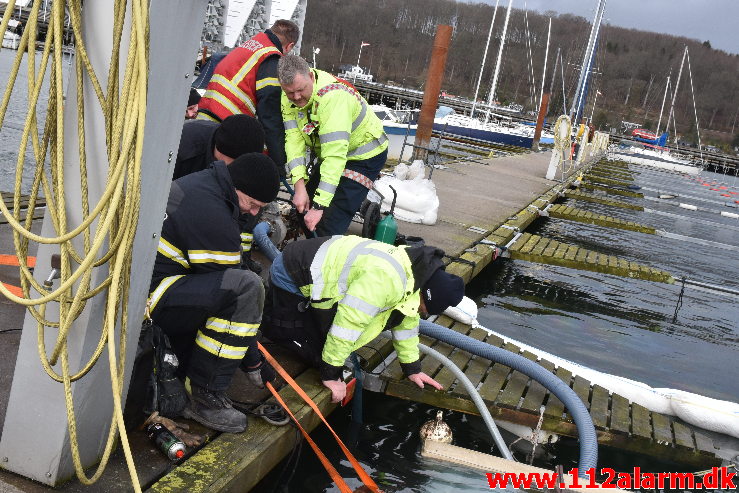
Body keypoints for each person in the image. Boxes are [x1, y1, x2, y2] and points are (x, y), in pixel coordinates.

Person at [148, 153, 280, 433]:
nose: (254, 213)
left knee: (241, 283)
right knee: (247, 289)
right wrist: (254, 362)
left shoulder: (206, 185)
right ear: (237, 187)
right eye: (252, 204)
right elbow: (235, 295)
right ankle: (205, 396)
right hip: (152, 299)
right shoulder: (212, 215)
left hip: (149, 282)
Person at [260, 235, 466, 403]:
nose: (421, 313)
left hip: (323, 275)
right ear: (425, 295)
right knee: (291, 337)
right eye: (424, 309)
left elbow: (407, 325)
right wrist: (330, 375)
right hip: (293, 272)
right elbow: (347, 325)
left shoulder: (415, 277)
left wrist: (412, 369)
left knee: (323, 349)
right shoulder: (384, 280)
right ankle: (261, 323)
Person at [278, 54, 388, 236]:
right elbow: (293, 141)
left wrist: (320, 206)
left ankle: (323, 256)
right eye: (290, 93)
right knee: (303, 208)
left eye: (301, 90)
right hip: (332, 153)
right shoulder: (287, 96)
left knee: (329, 222)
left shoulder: (333, 98)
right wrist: (299, 186)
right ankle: (309, 253)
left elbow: (334, 156)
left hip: (364, 155)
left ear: (311, 77)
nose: (296, 97)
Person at [197, 19, 300, 177]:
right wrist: (278, 162)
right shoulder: (271, 57)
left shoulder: (253, 43)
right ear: (290, 46)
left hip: (206, 116)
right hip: (226, 128)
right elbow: (269, 114)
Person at [172, 114, 269, 272]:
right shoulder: (182, 145)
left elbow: (243, 221)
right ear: (216, 145)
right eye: (221, 163)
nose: (222, 172)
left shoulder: (251, 175)